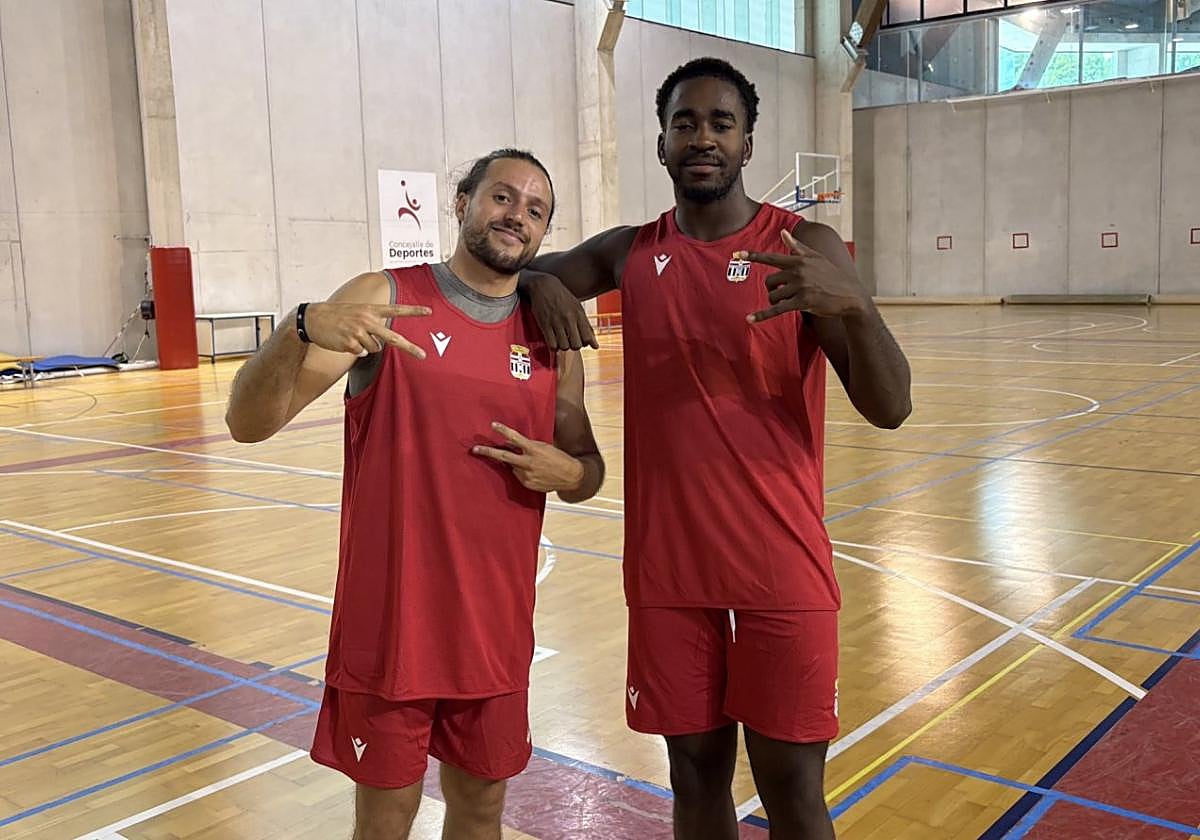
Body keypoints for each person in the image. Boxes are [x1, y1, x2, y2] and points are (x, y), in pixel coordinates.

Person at [524, 58, 912, 839]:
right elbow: (523, 275)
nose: (702, 137)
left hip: (781, 560)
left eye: (720, 123)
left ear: (748, 141)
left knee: (792, 788)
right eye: (685, 123)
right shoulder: (630, 251)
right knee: (693, 776)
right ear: (662, 144)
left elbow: (891, 407)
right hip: (669, 567)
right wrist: (539, 283)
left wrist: (858, 310)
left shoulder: (804, 244)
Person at [225, 148, 605, 840]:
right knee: (386, 819)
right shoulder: (383, 298)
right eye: (501, 197)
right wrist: (300, 326)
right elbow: (247, 425)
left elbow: (587, 467)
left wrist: (574, 475)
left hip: (494, 630)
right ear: (462, 203)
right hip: (392, 627)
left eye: (535, 208)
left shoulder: (552, 341)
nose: (516, 214)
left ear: (545, 232)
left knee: (482, 811)